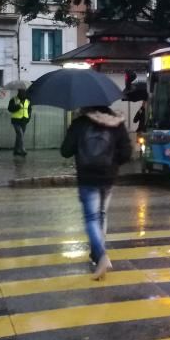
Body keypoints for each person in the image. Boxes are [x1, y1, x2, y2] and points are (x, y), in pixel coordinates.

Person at [60, 106, 132, 280]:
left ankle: (100, 255)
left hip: (87, 178)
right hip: (108, 179)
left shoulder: (80, 123)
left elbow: (65, 151)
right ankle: (97, 254)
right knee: (101, 215)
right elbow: (127, 153)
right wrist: (112, 164)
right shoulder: (116, 123)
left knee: (91, 218)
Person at [8, 89, 31, 156]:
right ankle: (22, 149)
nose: (22, 93)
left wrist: (28, 117)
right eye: (21, 92)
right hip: (16, 120)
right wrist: (18, 106)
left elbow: (29, 110)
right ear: (18, 92)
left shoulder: (28, 100)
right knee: (20, 134)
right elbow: (10, 109)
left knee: (19, 136)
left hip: (24, 120)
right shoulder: (14, 100)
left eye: (23, 92)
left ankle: (16, 150)